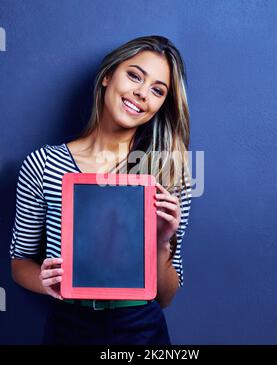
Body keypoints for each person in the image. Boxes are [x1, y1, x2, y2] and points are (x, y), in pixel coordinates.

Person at [10, 35, 192, 345]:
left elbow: (166, 296)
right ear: (107, 76)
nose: (141, 93)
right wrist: (49, 283)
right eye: (134, 75)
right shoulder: (43, 164)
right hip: (68, 324)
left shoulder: (170, 174)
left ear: (162, 104)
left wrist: (163, 243)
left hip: (141, 328)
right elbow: (20, 263)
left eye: (157, 90)